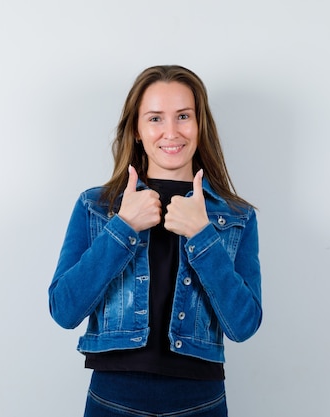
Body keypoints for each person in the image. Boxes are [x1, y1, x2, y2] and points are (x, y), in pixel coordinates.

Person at [48, 65, 262, 416]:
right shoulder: (96, 206)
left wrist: (202, 236)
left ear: (199, 124)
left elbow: (243, 325)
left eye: (183, 116)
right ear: (136, 129)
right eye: (155, 118)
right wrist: (123, 227)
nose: (171, 132)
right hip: (113, 399)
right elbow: (64, 309)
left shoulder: (237, 217)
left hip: (200, 402)